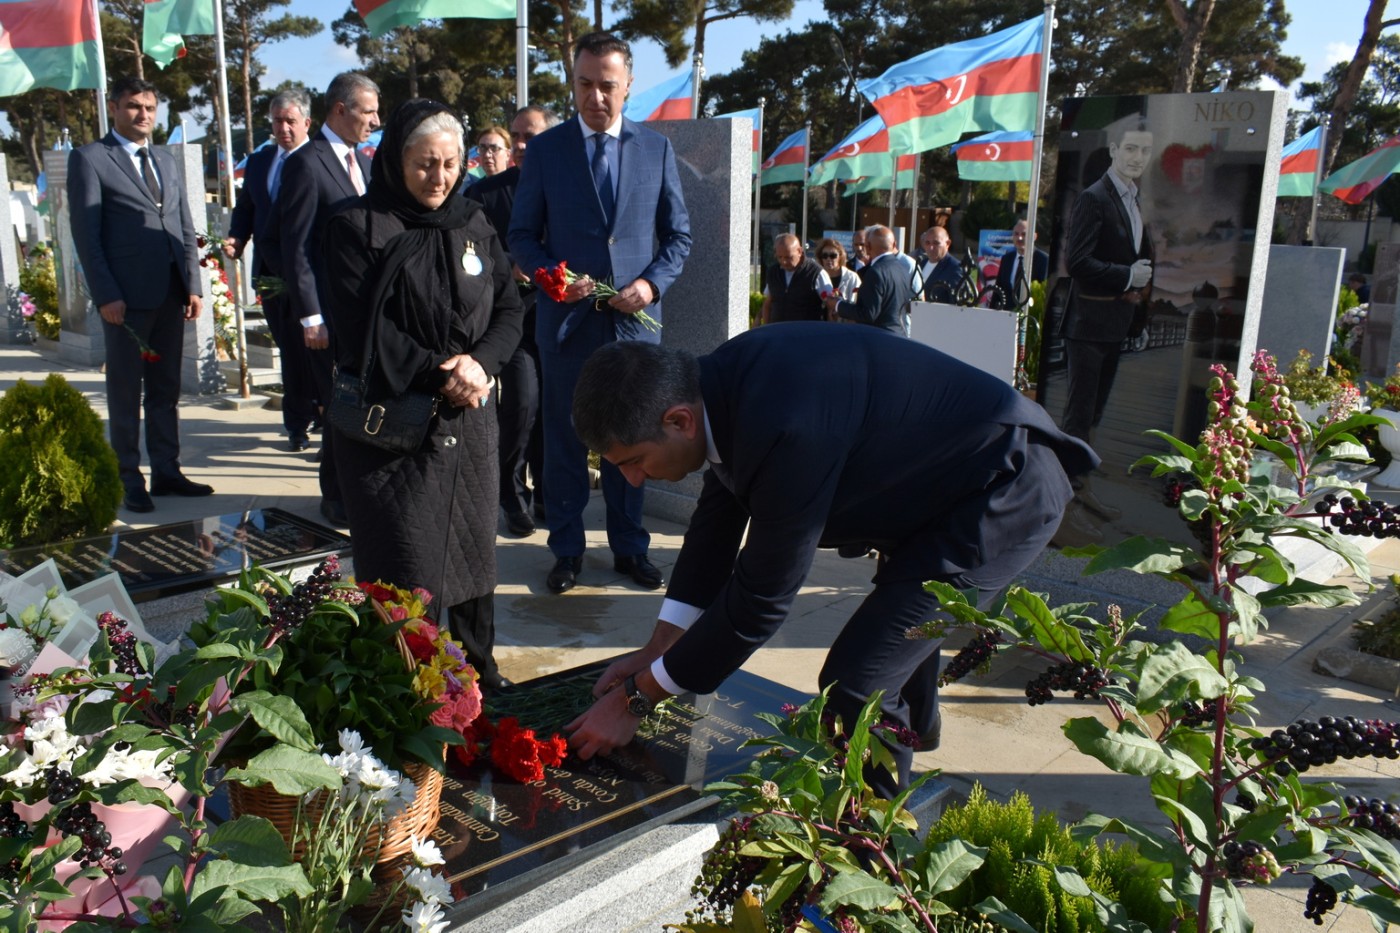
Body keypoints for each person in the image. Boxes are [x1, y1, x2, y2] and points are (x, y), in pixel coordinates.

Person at [561, 327, 1097, 796]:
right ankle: (917, 733)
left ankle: (876, 857)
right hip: (939, 493)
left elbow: (759, 603)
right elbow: (717, 518)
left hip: (1003, 495)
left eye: (632, 462)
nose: (630, 481)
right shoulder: (719, 388)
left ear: (678, 421)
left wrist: (639, 697)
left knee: (857, 685)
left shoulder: (784, 425)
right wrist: (660, 647)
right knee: (893, 640)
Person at [321, 99, 523, 690]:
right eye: (424, 165)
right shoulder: (356, 226)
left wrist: (480, 365)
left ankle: (475, 683)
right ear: (395, 161)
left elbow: (510, 307)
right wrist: (445, 373)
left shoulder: (474, 221)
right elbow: (365, 332)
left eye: (451, 164)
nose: (439, 178)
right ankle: (408, 699)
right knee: (406, 574)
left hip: (472, 420)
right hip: (394, 435)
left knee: (472, 561)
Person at [508, 31, 692, 596]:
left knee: (635, 437)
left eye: (607, 85)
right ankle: (566, 550)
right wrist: (556, 281)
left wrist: (649, 286)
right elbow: (520, 236)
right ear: (573, 83)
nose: (595, 96)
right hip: (567, 327)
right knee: (564, 439)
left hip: (632, 329)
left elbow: (678, 236)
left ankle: (630, 548)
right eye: (584, 84)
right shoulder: (546, 149)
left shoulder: (655, 149)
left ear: (628, 85)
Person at [68, 76, 209, 514]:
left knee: (165, 390)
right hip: (125, 302)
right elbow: (87, 238)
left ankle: (167, 471)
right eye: (133, 106)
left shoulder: (165, 160)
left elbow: (184, 226)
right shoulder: (90, 159)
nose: (143, 114)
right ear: (114, 108)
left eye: (149, 107)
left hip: (170, 293)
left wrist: (193, 284)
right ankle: (128, 477)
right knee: (126, 392)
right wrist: (106, 294)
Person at [275, 72, 381, 528]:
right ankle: (335, 496)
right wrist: (310, 316)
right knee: (338, 406)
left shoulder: (365, 163)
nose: (375, 120)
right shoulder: (307, 161)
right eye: (368, 111)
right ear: (340, 109)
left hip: (365, 312)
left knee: (358, 401)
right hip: (328, 316)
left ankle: (354, 488)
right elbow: (294, 246)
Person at [467, 105, 559, 538]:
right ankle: (511, 493)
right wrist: (509, 263)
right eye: (517, 137)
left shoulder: (567, 188)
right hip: (513, 322)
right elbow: (468, 252)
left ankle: (545, 493)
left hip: (560, 319)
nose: (523, 146)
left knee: (551, 413)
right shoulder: (484, 194)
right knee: (521, 405)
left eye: (532, 137)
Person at [1059, 122, 1154, 531]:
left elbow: (1142, 263)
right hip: (1088, 326)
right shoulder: (1094, 198)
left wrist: (1138, 320)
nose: (1136, 157)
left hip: (1113, 326)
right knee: (1079, 417)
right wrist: (1126, 276)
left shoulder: (1133, 198)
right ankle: (1063, 501)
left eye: (1143, 151)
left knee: (1092, 416)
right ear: (1114, 149)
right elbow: (1077, 263)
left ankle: (1078, 494)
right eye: (1130, 148)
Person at [225, 88, 317, 453]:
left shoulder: (320, 159)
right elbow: (247, 207)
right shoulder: (261, 161)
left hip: (311, 272)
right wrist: (237, 237)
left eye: (290, 121)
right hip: (270, 273)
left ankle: (325, 414)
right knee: (290, 351)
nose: (283, 128)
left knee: (317, 349)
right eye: (277, 121)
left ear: (306, 123)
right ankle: (296, 424)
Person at [824, 225, 914, 334]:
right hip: (899, 335)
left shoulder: (875, 272)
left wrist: (837, 304)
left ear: (868, 247)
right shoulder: (903, 269)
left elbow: (867, 314)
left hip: (879, 338)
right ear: (894, 244)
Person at [761, 233, 831, 324]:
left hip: (806, 334)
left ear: (799, 251)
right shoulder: (773, 272)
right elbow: (768, 303)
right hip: (778, 333)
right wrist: (767, 329)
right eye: (779, 257)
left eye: (788, 257)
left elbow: (830, 304)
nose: (784, 261)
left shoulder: (816, 273)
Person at [990, 218, 1049, 310]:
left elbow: (1043, 293)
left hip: (1029, 316)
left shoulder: (1043, 260)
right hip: (1007, 315)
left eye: (1024, 234)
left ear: (1034, 236)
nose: (1019, 238)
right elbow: (998, 289)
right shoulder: (1007, 259)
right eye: (1016, 234)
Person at [917, 226, 962, 303]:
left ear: (947, 243)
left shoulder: (955, 268)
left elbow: (956, 303)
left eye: (936, 243)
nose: (931, 247)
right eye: (927, 243)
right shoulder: (921, 263)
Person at [815, 237, 859, 303]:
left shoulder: (852, 277)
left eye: (833, 256)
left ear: (840, 257)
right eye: (825, 255)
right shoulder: (816, 277)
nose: (828, 259)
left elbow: (856, 302)